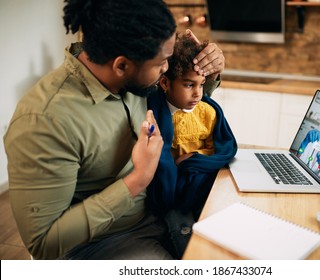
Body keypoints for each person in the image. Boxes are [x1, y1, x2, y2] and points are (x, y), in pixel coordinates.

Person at [3, 0, 225, 260]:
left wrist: (211, 70)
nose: (166, 68)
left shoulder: (137, 75)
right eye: (162, 63)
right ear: (121, 66)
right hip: (104, 242)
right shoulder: (45, 121)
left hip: (162, 214)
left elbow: (178, 96)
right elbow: (44, 244)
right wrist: (137, 180)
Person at [146, 34, 237, 258]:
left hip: (200, 182)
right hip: (171, 198)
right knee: (186, 238)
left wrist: (196, 157)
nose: (198, 94)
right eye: (189, 85)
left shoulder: (207, 112)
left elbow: (218, 146)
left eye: (202, 84)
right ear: (165, 83)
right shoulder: (152, 112)